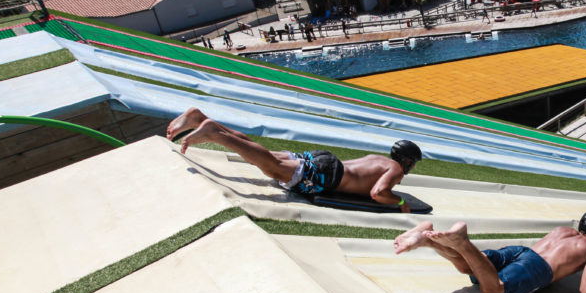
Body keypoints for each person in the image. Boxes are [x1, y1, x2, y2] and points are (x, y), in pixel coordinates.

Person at [166, 107, 421, 211]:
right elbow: (378, 193)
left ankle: (200, 119)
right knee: (271, 167)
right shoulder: (395, 169)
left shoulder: (379, 158)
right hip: (327, 175)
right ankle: (213, 133)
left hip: (325, 162)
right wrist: (400, 202)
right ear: (407, 160)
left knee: (262, 152)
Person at [394, 211, 586, 293]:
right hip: (537, 267)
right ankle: (462, 242)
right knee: (494, 292)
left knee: (469, 267)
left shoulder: (563, 229)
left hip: (522, 252)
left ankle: (426, 239)